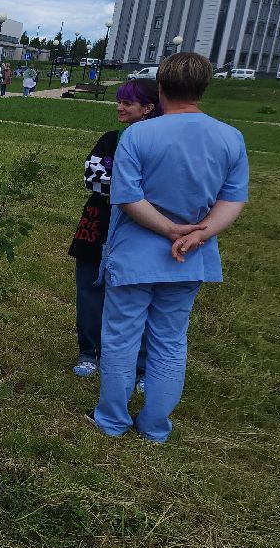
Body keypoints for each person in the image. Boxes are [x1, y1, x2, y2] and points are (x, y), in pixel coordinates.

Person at [90, 53, 248, 443]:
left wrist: (168, 228)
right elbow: (233, 199)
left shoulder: (139, 135)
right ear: (204, 88)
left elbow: (126, 196)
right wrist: (197, 234)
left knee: (121, 338)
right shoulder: (230, 137)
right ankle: (156, 427)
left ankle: (111, 420)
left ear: (159, 89)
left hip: (133, 258)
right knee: (170, 340)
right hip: (189, 259)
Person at [67, 78, 161, 379]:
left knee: (139, 295)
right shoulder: (111, 139)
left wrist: (125, 186)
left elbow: (163, 187)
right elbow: (92, 177)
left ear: (148, 108)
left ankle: (140, 365)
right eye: (119, 101)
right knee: (90, 287)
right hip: (99, 223)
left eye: (127, 103)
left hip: (141, 228)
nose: (119, 107)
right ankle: (89, 352)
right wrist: (136, 189)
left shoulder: (161, 143)